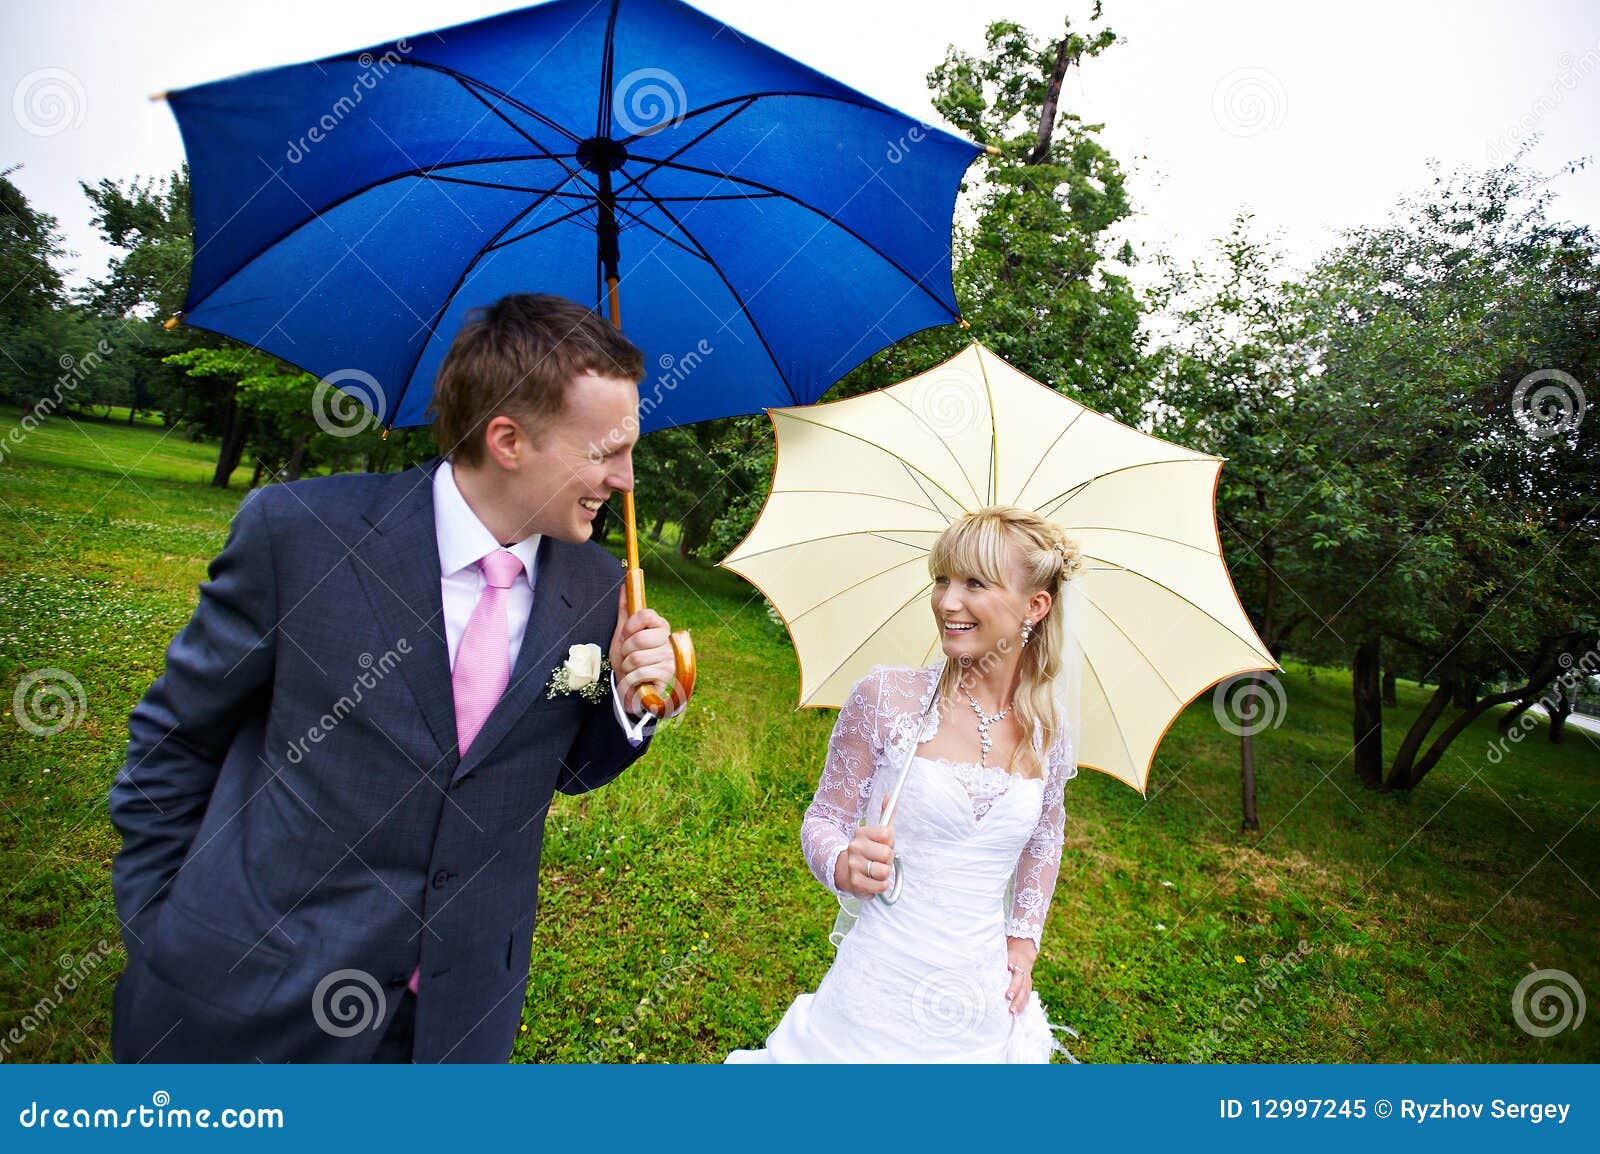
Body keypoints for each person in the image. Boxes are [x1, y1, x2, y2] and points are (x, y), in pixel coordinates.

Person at [108, 293, 686, 1063]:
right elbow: (172, 742)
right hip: (253, 1002)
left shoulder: (596, 588)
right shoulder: (299, 536)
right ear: (508, 439)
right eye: (606, 450)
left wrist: (626, 702)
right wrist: (162, 926)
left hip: (456, 1018)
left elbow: (561, 770)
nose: (626, 477)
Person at [726, 506, 1084, 1063]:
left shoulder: (1049, 733)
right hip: (876, 992)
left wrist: (1023, 940)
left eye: (974, 583)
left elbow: (1044, 840)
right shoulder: (887, 700)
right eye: (941, 579)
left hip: (977, 1000)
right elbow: (824, 820)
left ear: (1035, 606)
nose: (946, 601)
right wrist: (844, 862)